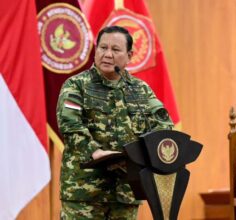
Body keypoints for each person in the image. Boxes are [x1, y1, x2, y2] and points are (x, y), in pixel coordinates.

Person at [56, 26, 173, 219]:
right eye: (103, 48)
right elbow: (70, 126)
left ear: (129, 55)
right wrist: (95, 152)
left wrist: (143, 156)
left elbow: (163, 125)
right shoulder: (76, 85)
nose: (107, 54)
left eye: (115, 50)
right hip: (84, 192)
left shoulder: (140, 90)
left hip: (126, 192)